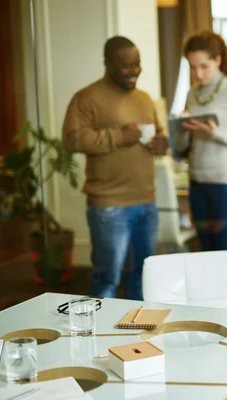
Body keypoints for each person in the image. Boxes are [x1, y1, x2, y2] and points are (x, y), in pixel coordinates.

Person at [62, 36, 168, 300]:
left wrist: (161, 143)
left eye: (137, 64)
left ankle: (137, 333)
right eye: (126, 65)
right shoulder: (86, 98)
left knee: (142, 277)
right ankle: (98, 337)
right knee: (107, 277)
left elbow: (156, 138)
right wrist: (118, 136)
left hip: (146, 201)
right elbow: (72, 139)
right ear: (108, 64)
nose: (134, 71)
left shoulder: (145, 99)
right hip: (109, 205)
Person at [173, 31, 227, 251]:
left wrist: (214, 133)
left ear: (218, 60)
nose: (198, 73)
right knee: (205, 250)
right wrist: (181, 129)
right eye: (192, 67)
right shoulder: (192, 94)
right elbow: (181, 147)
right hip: (197, 180)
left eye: (204, 66)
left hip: (226, 183)